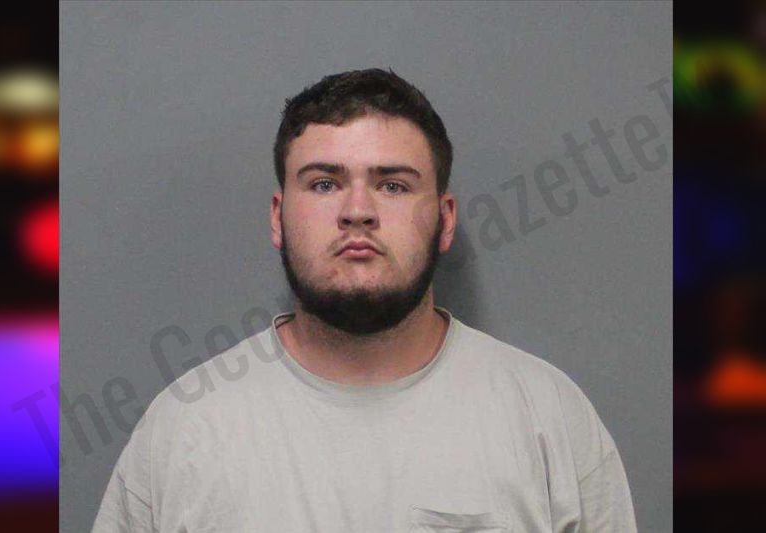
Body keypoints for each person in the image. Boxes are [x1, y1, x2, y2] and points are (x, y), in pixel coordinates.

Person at [92, 68, 637, 532]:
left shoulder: (547, 418)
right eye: (324, 184)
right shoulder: (186, 427)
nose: (358, 211)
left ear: (445, 219)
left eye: (393, 185)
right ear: (278, 217)